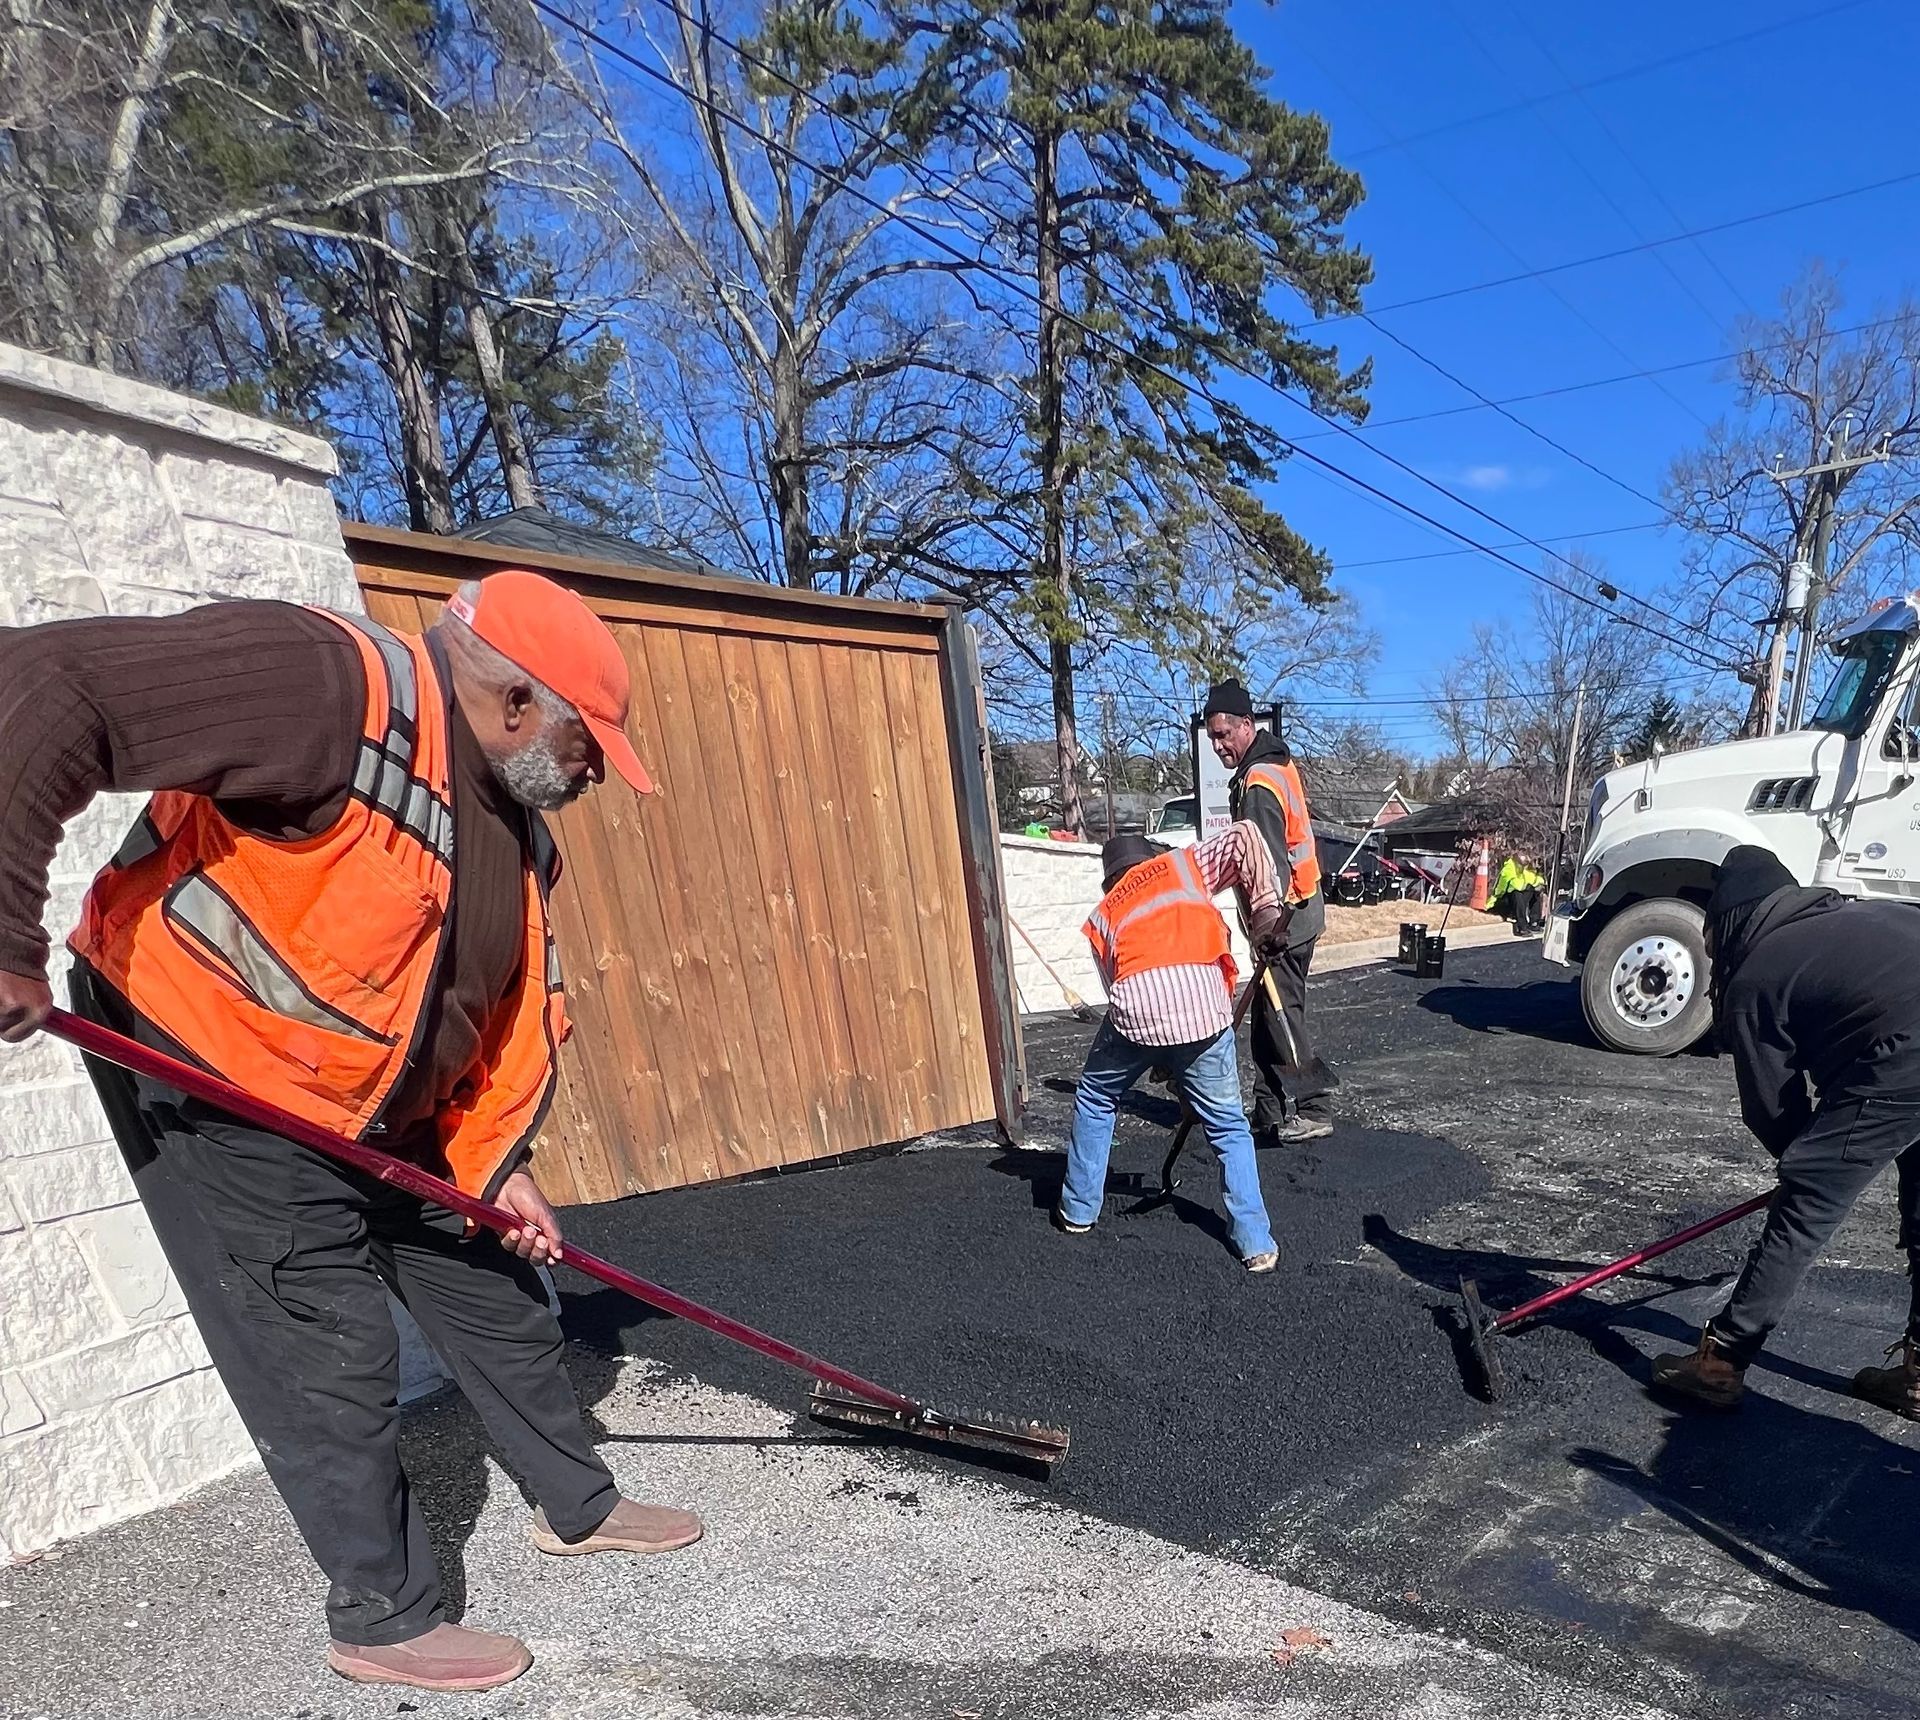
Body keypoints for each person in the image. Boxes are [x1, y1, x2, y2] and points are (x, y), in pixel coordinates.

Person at [0, 576, 703, 1693]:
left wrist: (498, 1163)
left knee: (499, 1291)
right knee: (322, 1346)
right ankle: (383, 1616)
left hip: (388, 1111)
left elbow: (483, 1013)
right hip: (224, 1076)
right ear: (520, 701)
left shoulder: (515, 831)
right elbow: (41, 682)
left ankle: (580, 1504)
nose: (594, 771)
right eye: (589, 744)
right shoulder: (325, 684)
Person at [1651, 846, 1920, 1416]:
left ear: (1728, 923)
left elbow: (1772, 1109)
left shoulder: (1761, 973)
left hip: (1910, 1053)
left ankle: (1720, 1360)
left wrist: (1807, 1171)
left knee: (1804, 1213)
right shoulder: (1854, 917)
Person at [1055, 827, 1289, 1270]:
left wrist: (1157, 1055)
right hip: (1203, 1011)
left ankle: (1078, 1211)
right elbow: (1244, 836)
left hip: (1136, 1016)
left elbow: (1119, 991)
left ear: (1110, 881)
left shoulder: (1102, 915)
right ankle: (1255, 1242)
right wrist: (1265, 918)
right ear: (1150, 858)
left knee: (1097, 1097)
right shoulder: (1183, 865)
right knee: (1228, 1126)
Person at [1202, 679, 1338, 1145]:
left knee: (1283, 1013)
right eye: (1212, 737)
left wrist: (1268, 926)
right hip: (1297, 910)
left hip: (1287, 918)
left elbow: (1269, 864)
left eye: (1224, 735)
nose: (1219, 746)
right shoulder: (1272, 763)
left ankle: (1314, 1106)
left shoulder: (1259, 781)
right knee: (1268, 1011)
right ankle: (1266, 1109)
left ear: (1246, 724)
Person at [1489, 850, 1546, 935]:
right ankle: (1521, 927)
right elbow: (1502, 884)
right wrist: (1495, 898)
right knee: (1517, 893)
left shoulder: (1528, 868)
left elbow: (1533, 879)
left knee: (1535, 892)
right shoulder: (1510, 866)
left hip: (1522, 895)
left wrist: (1539, 884)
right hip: (1508, 898)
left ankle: (1534, 922)